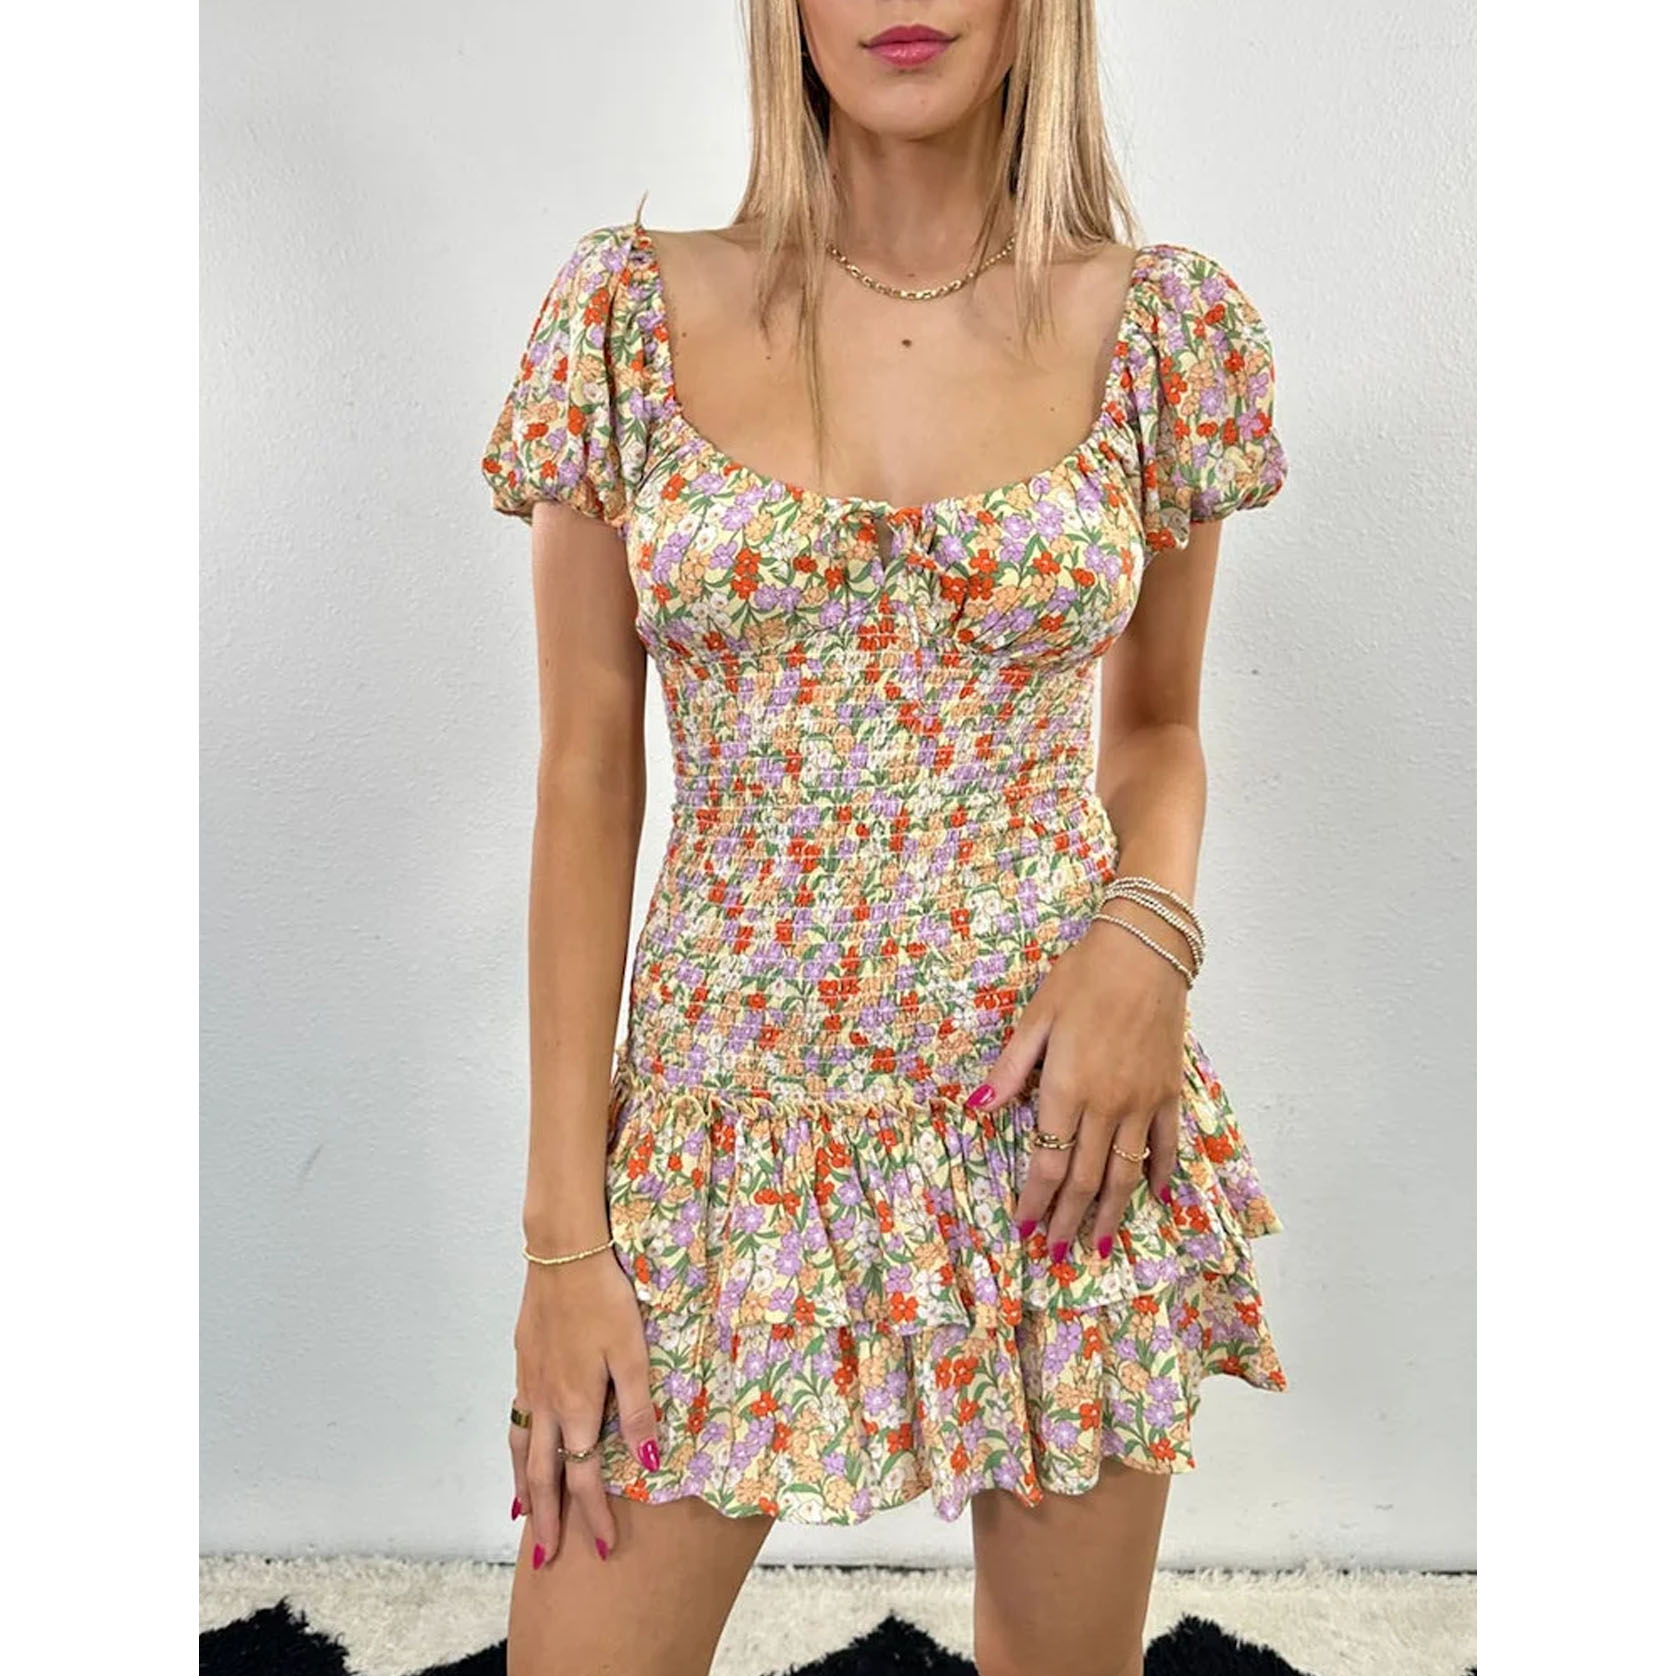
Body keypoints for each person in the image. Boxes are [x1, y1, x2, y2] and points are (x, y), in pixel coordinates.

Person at [479, 4, 1289, 1672]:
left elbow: (1156, 729)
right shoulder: (625, 316)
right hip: (724, 1142)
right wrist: (564, 1240)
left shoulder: (1163, 328)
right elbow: (584, 778)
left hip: (1057, 1123)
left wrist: (1147, 937)